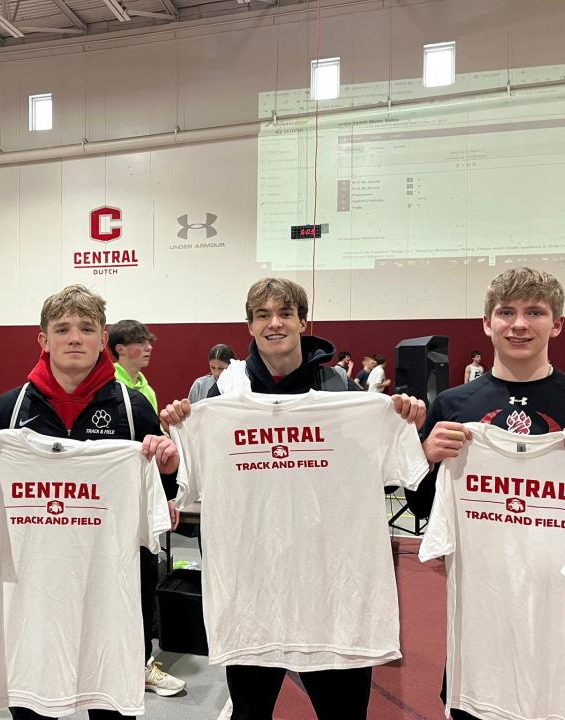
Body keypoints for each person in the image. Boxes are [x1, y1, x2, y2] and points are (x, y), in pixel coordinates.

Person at [160, 277, 425, 720]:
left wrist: (400, 423)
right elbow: (184, 482)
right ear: (249, 326)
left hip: (333, 591)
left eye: (285, 313)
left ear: (304, 321)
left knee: (342, 713)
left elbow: (386, 474)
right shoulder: (216, 398)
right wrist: (180, 432)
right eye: (263, 315)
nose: (275, 323)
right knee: (250, 713)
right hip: (251, 590)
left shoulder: (343, 391)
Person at [405, 267, 565, 720]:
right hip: (481, 646)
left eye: (534, 312)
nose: (519, 324)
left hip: (563, 646)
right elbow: (423, 509)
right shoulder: (455, 406)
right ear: (487, 323)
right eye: (506, 312)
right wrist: (427, 456)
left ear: (556, 324)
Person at [0, 284, 186, 719]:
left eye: (86, 328)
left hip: (110, 598)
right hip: (31, 597)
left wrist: (167, 469)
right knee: (32, 707)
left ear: (103, 338)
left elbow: (160, 503)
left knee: (110, 706)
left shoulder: (133, 410)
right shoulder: (10, 409)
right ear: (43, 340)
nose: (74, 338)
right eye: (62, 329)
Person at [108, 319, 158, 413]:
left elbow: (154, 427)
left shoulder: (149, 392)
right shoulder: (106, 384)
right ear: (120, 349)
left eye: (148, 342)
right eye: (141, 342)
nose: (149, 347)